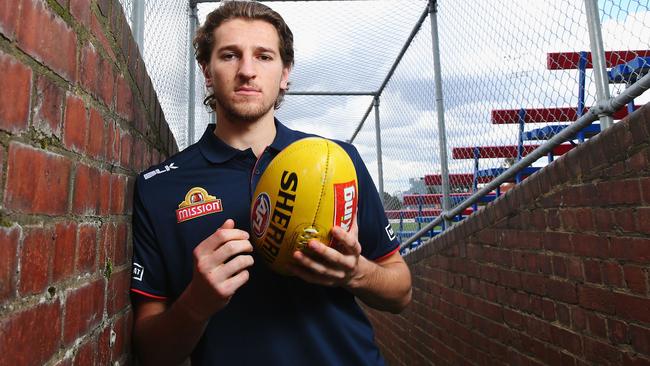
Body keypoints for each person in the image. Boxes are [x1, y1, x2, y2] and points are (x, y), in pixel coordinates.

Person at [130, 2, 412, 365]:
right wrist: (195, 304)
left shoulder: (339, 162)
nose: (247, 71)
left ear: (285, 73)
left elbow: (401, 292)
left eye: (264, 57)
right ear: (206, 70)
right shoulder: (159, 188)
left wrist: (355, 273)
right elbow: (151, 352)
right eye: (230, 55)